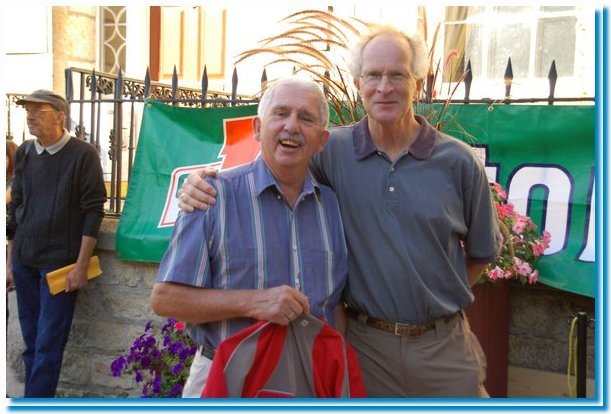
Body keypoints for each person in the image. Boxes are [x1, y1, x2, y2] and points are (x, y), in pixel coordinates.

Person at [178, 25, 501, 397]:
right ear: (359, 83)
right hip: (366, 349)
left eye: (397, 75)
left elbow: (479, 257)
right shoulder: (331, 150)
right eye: (373, 75)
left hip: (443, 348)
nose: (384, 87)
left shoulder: (459, 161)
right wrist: (202, 183)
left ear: (418, 82)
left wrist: (430, 299)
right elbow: (277, 160)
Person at [151, 77, 352, 397]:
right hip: (228, 378)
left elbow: (335, 304)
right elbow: (166, 298)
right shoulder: (212, 196)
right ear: (258, 128)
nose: (291, 126)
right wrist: (256, 302)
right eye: (281, 113)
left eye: (306, 118)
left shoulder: (332, 206)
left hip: (310, 380)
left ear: (322, 140)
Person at [6, 89, 107, 397]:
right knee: (32, 343)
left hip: (60, 267)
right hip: (24, 263)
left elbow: (93, 211)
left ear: (60, 116)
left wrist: (80, 266)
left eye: (39, 111)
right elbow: (16, 208)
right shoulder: (25, 152)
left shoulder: (83, 154)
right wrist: (10, 263)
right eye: (28, 110)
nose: (30, 116)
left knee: (48, 345)